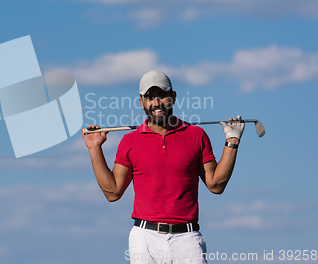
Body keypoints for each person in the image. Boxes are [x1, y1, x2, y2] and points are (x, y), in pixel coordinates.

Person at [82, 70, 245, 264]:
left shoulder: (196, 135)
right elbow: (113, 192)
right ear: (141, 102)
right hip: (145, 238)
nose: (156, 103)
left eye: (162, 96)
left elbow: (216, 185)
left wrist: (232, 141)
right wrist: (94, 149)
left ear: (173, 97)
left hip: (187, 238)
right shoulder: (129, 141)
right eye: (150, 97)